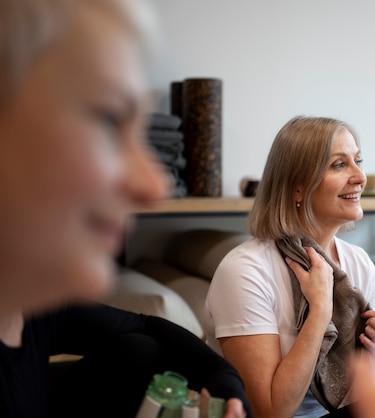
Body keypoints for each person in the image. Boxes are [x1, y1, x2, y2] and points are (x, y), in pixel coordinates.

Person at [0, 1, 249, 417]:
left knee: (139, 348)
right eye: (110, 120)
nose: (156, 184)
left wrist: (226, 383)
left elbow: (145, 327)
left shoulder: (33, 307)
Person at [205, 116, 375, 418]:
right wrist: (319, 312)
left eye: (358, 161)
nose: (360, 177)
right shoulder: (245, 271)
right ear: (297, 188)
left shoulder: (359, 264)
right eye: (339, 165)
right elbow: (270, 411)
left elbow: (367, 392)